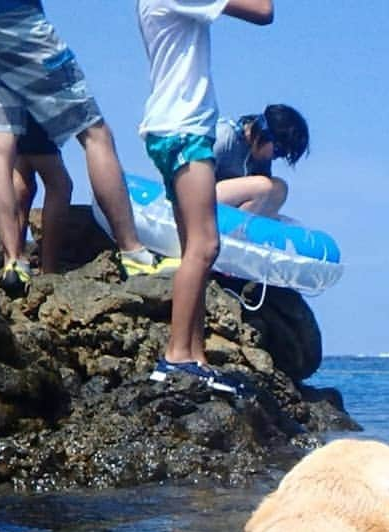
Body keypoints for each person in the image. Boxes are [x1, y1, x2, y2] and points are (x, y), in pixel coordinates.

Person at [0, 0, 174, 298]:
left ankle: (14, 262)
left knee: (1, 144)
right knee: (95, 134)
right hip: (17, 19)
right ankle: (134, 252)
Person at [137, 0, 274, 396]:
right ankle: (177, 357)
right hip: (183, 130)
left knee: (193, 248)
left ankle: (194, 358)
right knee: (204, 245)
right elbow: (263, 11)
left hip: (175, 128)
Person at [212, 103, 308, 215]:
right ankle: (233, 231)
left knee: (279, 189)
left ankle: (245, 229)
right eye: (278, 151)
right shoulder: (223, 137)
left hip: (224, 205)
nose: (274, 158)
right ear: (264, 132)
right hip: (197, 197)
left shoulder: (260, 156)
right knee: (263, 186)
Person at [12, 115, 71, 274]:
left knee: (22, 176)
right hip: (34, 103)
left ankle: (13, 261)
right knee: (59, 184)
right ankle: (49, 269)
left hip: (6, 101)